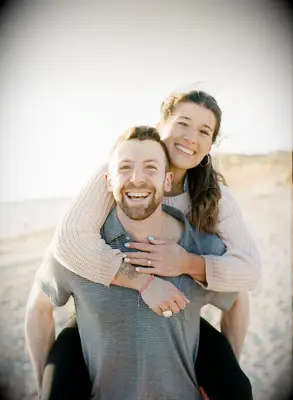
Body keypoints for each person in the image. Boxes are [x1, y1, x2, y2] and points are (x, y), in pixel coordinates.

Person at [42, 90, 260, 399]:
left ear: (211, 145)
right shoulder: (126, 171)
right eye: (183, 124)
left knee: (236, 388)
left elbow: (249, 271)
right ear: (161, 125)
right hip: (101, 310)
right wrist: (142, 282)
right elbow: (69, 240)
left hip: (176, 314)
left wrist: (185, 262)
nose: (190, 138)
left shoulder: (214, 195)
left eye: (203, 131)